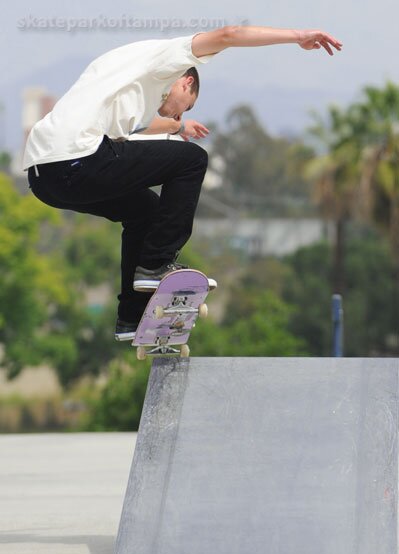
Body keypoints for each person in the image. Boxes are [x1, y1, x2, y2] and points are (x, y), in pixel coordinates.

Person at [24, 25, 343, 341]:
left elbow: (133, 132)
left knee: (144, 209)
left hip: (46, 178)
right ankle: (157, 264)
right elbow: (229, 35)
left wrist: (177, 128)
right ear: (186, 82)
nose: (176, 112)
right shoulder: (168, 58)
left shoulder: (118, 74)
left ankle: (131, 317)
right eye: (185, 105)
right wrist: (296, 37)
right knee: (192, 160)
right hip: (78, 159)